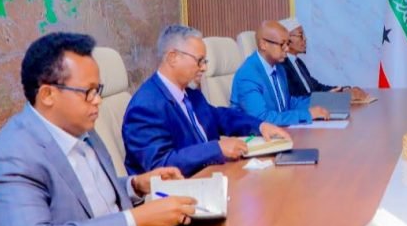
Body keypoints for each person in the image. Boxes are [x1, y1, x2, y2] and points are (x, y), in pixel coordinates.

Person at [0, 33, 197, 226]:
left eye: (98, 90)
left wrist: (136, 185)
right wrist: (138, 219)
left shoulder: (79, 127)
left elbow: (84, 198)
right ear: (48, 94)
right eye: (88, 92)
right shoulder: (11, 155)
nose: (98, 100)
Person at [123, 25, 292, 177]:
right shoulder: (145, 107)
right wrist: (216, 149)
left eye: (204, 61)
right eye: (199, 61)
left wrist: (260, 126)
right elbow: (161, 165)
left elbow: (219, 117)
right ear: (173, 57)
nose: (204, 68)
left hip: (213, 177)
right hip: (181, 191)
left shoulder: (190, 94)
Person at [231, 20, 330, 125]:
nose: (287, 49)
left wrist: (324, 103)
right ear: (263, 44)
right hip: (254, 134)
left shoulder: (279, 68)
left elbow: (288, 103)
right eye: (282, 44)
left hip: (280, 129)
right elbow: (262, 118)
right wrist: (306, 114)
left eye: (287, 43)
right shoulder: (248, 75)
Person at [279, 17, 371, 101]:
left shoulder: (298, 62)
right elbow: (296, 98)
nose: (305, 39)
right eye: (301, 35)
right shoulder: (281, 66)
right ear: (287, 39)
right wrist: (333, 96)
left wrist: (344, 90)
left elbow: (316, 87)